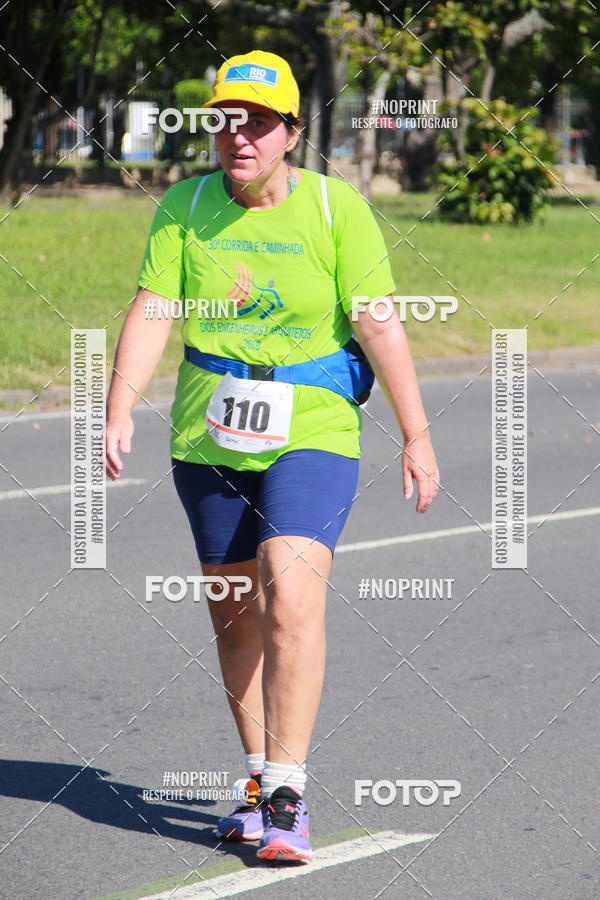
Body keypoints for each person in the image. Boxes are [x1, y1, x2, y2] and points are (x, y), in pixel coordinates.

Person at [105, 50, 439, 863]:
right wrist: (117, 404)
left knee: (290, 591)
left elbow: (380, 321)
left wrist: (418, 433)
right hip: (207, 434)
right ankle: (256, 785)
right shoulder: (184, 206)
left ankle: (289, 795)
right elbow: (155, 307)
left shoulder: (336, 210)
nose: (239, 136)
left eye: (258, 122)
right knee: (235, 613)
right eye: (226, 120)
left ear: (292, 131)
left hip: (313, 426)